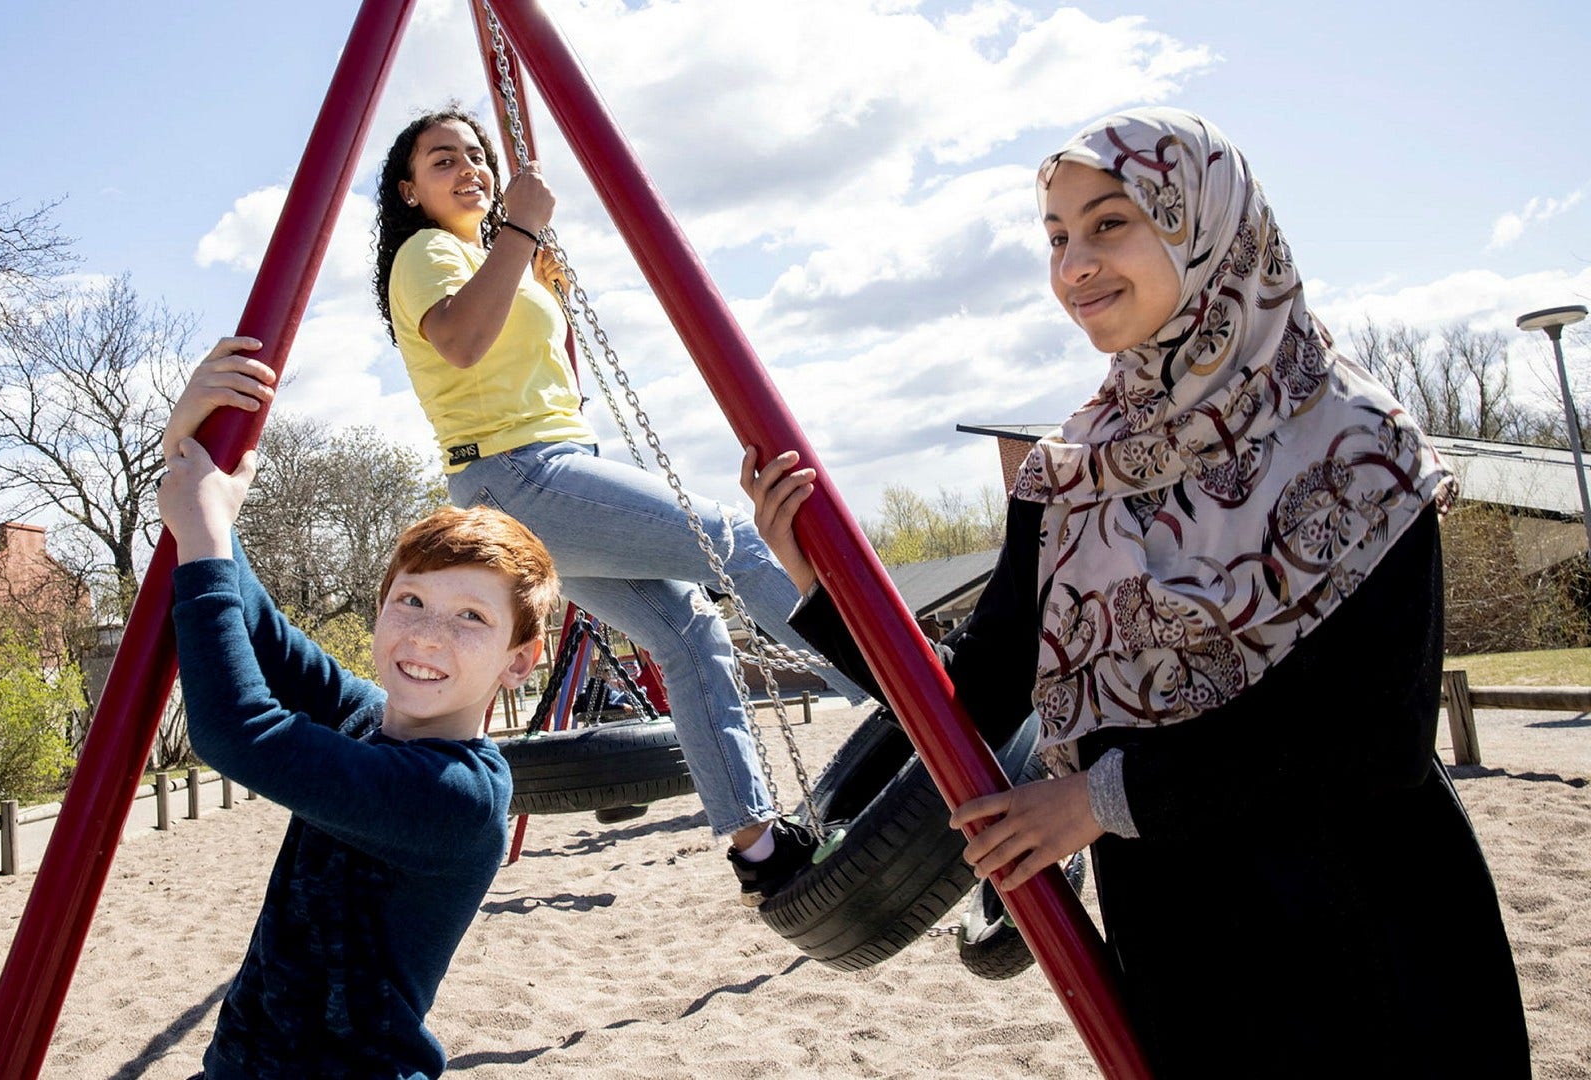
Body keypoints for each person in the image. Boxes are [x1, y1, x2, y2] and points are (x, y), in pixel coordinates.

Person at [741, 107, 1528, 1076]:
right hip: (1183, 941)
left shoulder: (1357, 445)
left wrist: (1097, 800)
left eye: (1111, 222)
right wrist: (820, 584)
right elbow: (978, 694)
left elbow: (1374, 737)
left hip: (1364, 930)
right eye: (1058, 237)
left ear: (1206, 223)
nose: (1074, 265)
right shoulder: (1072, 476)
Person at [369, 104, 866, 905]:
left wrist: (527, 261)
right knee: (728, 540)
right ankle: (890, 691)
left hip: (548, 466)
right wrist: (522, 233)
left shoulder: (491, 254)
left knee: (689, 630)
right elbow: (460, 344)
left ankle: (760, 848)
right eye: (442, 161)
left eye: (475, 155)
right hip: (515, 471)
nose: (468, 169)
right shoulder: (428, 251)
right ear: (410, 190)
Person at [158, 358, 561, 1078]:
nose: (427, 635)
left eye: (470, 617)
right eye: (410, 601)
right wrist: (188, 458)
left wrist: (203, 530)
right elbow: (254, 624)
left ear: (518, 661)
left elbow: (238, 732)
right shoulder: (366, 717)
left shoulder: (455, 797)